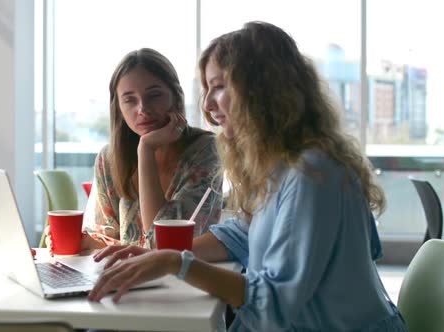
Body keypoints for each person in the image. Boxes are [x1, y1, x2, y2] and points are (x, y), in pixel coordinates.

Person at [86, 22, 407, 331]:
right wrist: (156, 257)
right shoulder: (282, 165)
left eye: (220, 87)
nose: (208, 105)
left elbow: (274, 304)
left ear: (263, 90)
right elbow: (240, 234)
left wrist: (176, 263)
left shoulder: (312, 173)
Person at [79, 48, 223, 250]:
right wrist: (82, 241)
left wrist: (146, 150)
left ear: (175, 96)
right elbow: (103, 238)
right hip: (127, 278)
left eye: (154, 95)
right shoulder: (109, 159)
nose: (143, 109)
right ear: (118, 108)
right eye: (129, 99)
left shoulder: (206, 150)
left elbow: (162, 244)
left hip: (186, 278)